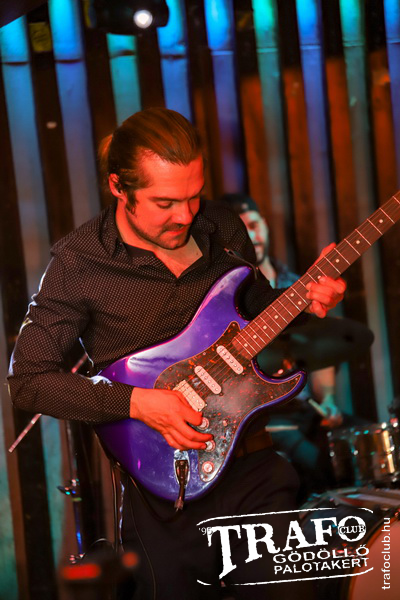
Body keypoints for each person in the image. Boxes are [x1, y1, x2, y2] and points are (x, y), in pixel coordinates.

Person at [8, 108, 346, 599]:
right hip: (163, 495)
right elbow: (28, 381)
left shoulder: (222, 226)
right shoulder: (78, 264)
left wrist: (304, 300)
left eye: (193, 196)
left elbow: (254, 310)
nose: (185, 216)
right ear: (119, 188)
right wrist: (138, 403)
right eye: (165, 202)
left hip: (252, 467)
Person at [221, 193, 344, 499]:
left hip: (304, 410)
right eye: (244, 228)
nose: (253, 235)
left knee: (349, 450)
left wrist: (328, 398)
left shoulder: (296, 282)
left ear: (265, 225)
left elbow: (322, 346)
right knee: (314, 466)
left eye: (255, 224)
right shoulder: (230, 295)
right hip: (262, 417)